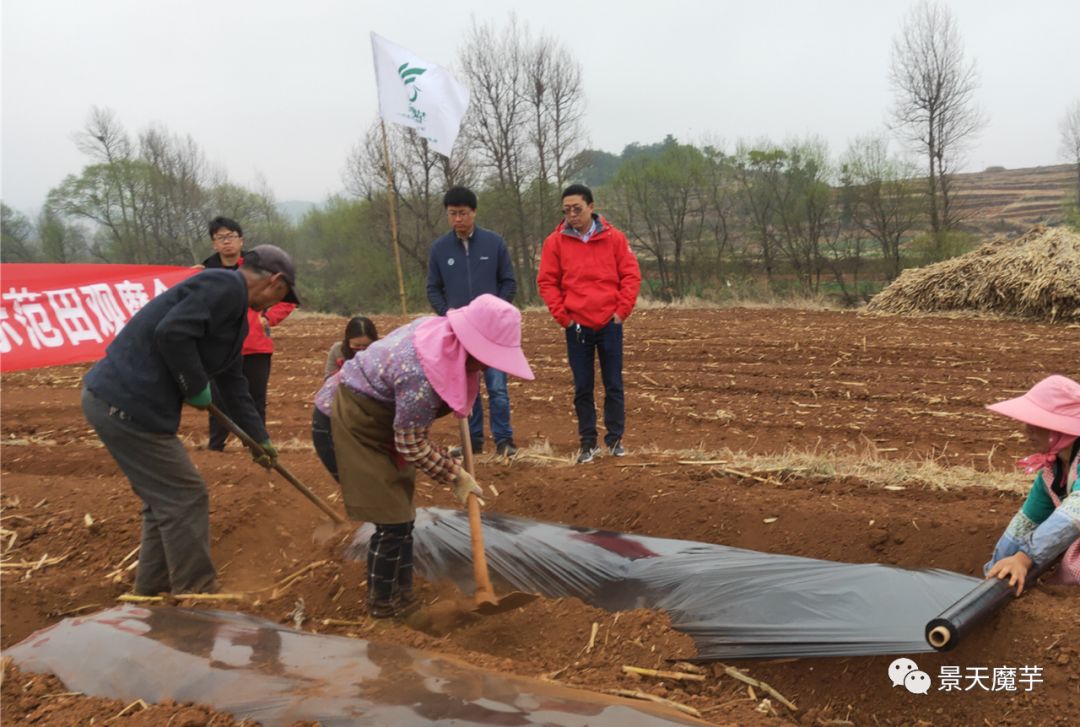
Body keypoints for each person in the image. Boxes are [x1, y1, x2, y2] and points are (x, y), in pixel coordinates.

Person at [82, 245, 300, 595]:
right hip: (124, 401)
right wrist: (195, 385)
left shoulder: (233, 317)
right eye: (282, 296)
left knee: (165, 502)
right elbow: (172, 333)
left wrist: (258, 438)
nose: (274, 305)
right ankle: (196, 594)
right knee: (185, 495)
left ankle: (149, 593)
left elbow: (233, 383)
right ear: (275, 282)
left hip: (125, 404)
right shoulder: (224, 286)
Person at [318, 294, 533, 618]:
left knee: (402, 518)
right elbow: (411, 444)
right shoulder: (419, 373)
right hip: (347, 421)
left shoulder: (445, 342)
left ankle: (403, 601)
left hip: (380, 423)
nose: (489, 365)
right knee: (391, 521)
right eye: (489, 356)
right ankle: (382, 611)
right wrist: (454, 474)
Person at [537, 183, 641, 464]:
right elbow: (547, 282)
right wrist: (564, 318)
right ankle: (588, 442)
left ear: (591, 207)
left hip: (609, 323)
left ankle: (615, 440)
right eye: (567, 210)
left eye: (577, 209)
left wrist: (621, 312)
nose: (572, 214)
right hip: (577, 326)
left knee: (613, 384)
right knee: (583, 386)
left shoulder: (614, 239)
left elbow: (631, 276)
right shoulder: (555, 242)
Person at [426, 186, 519, 456]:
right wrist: (448, 315)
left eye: (463, 213)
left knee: (497, 387)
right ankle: (474, 441)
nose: (458, 219)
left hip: (491, 332)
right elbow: (433, 287)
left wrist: (497, 313)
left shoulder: (494, 243)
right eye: (452, 214)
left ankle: (504, 440)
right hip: (459, 332)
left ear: (474, 212)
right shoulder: (440, 249)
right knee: (468, 389)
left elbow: (508, 282)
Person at [199, 216, 297, 452]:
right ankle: (216, 447)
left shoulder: (258, 270)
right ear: (214, 244)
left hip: (255, 346)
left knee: (255, 400)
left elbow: (288, 299)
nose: (226, 242)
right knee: (218, 401)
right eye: (220, 238)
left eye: (231, 236)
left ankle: (256, 446)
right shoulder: (205, 273)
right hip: (219, 347)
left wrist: (268, 317)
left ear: (241, 240)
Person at [985, 375, 1080, 595]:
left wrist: (1024, 558)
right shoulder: (1053, 470)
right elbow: (1026, 522)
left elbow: (1074, 514)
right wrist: (994, 571)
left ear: (1061, 430)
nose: (1027, 430)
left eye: (1037, 423)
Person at [311, 316, 379, 481]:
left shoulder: (380, 351)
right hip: (342, 404)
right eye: (356, 346)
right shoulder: (337, 350)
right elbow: (328, 379)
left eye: (366, 346)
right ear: (348, 341)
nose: (361, 351)